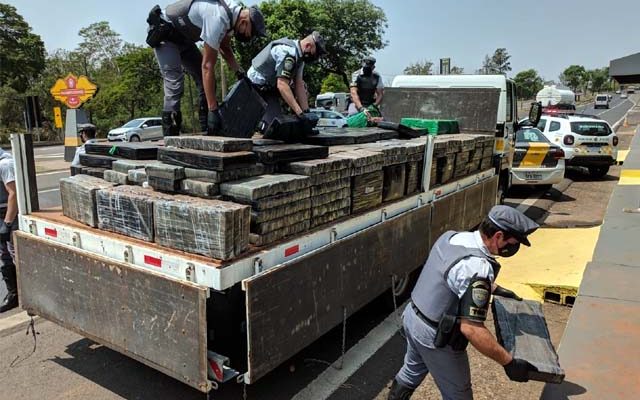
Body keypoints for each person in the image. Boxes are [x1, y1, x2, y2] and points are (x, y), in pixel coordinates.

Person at [388, 205, 540, 400]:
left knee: (410, 372)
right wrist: (509, 362)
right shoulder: (477, 267)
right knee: (459, 395)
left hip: (413, 317)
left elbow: (452, 274)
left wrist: (494, 289)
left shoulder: (453, 237)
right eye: (514, 241)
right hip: (435, 336)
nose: (514, 247)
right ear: (498, 236)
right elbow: (472, 329)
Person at [146, 0, 267, 136]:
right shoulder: (218, 17)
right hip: (166, 34)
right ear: (245, 21)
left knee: (205, 81)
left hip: (185, 39)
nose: (249, 37)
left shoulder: (232, 18)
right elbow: (207, 66)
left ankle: (207, 130)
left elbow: (225, 48)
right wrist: (213, 109)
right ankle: (170, 135)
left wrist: (239, 72)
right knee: (175, 83)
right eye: (251, 32)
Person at [247, 31, 326, 133]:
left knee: (303, 87)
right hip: (255, 89)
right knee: (271, 128)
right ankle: (258, 123)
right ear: (308, 46)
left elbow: (299, 85)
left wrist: (307, 114)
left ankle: (299, 124)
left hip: (270, 88)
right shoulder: (288, 53)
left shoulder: (300, 57)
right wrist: (300, 113)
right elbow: (282, 85)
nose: (316, 57)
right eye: (315, 53)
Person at [0, 149, 19, 313]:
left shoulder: (5, 164)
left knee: (15, 255)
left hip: (9, 216)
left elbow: (14, 194)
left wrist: (7, 223)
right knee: (4, 255)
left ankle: (26, 292)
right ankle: (13, 294)